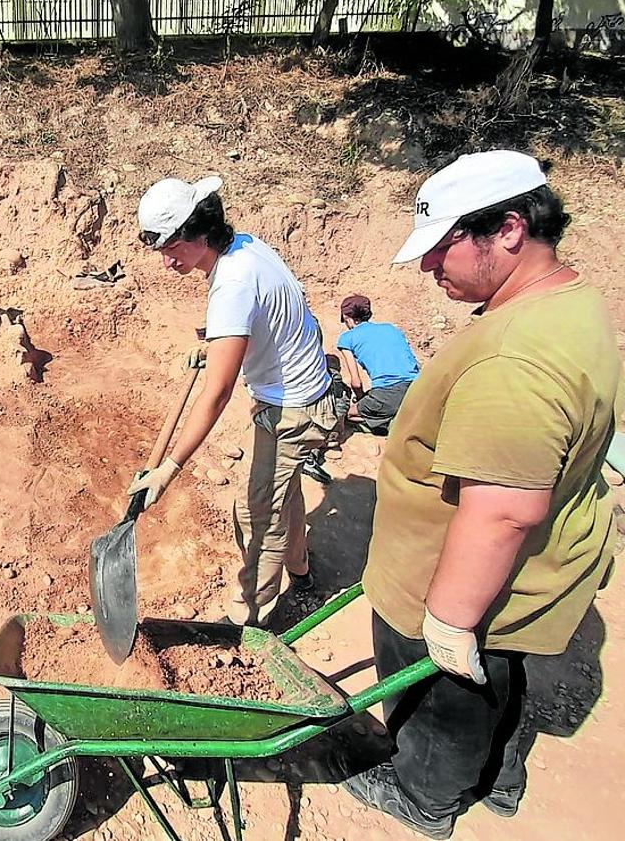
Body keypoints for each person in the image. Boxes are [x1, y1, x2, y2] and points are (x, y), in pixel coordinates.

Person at [344, 150, 620, 839]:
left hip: (455, 575)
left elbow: (501, 510)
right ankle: (499, 778)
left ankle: (425, 798)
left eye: (442, 248)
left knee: (442, 695)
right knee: (498, 682)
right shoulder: (567, 301)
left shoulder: (513, 356)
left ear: (509, 229)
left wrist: (446, 616)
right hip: (529, 581)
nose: (429, 267)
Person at [127, 176, 340, 626]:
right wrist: (216, 344)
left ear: (198, 233)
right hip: (308, 393)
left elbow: (218, 392)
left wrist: (170, 468)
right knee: (285, 490)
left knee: (258, 511)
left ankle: (248, 617)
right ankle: (301, 569)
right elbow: (282, 311)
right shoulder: (246, 246)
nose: (166, 262)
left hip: (293, 412)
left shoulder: (232, 284)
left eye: (171, 248)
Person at [336, 293, 420, 435]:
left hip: (388, 393)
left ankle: (392, 425)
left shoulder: (346, 338)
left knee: (349, 415)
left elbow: (356, 383)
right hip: (418, 388)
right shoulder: (391, 328)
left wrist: (361, 398)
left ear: (346, 317)